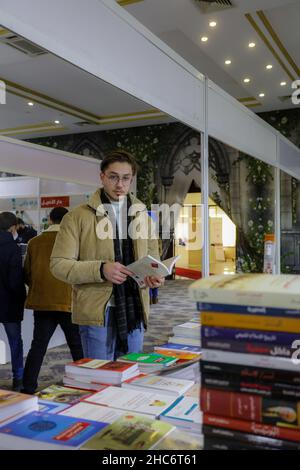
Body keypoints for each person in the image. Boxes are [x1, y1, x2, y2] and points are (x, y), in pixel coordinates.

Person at [50, 150, 164, 360]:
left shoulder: (142, 215)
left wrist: (154, 277)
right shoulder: (77, 217)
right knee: (100, 379)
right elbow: (59, 265)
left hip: (134, 308)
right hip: (97, 312)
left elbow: (152, 260)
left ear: (131, 179)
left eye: (125, 178)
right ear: (102, 176)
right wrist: (100, 269)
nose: (119, 184)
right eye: (113, 177)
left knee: (131, 373)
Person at [21, 207, 83, 394]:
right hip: (69, 302)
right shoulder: (75, 242)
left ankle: (28, 386)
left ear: (49, 220)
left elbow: (27, 273)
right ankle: (83, 383)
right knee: (77, 346)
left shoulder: (34, 242)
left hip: (43, 302)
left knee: (38, 346)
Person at [0, 212, 26, 391]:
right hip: (9, 304)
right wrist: (22, 298)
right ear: (13, 227)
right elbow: (14, 281)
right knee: (15, 342)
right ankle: (18, 379)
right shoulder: (13, 248)